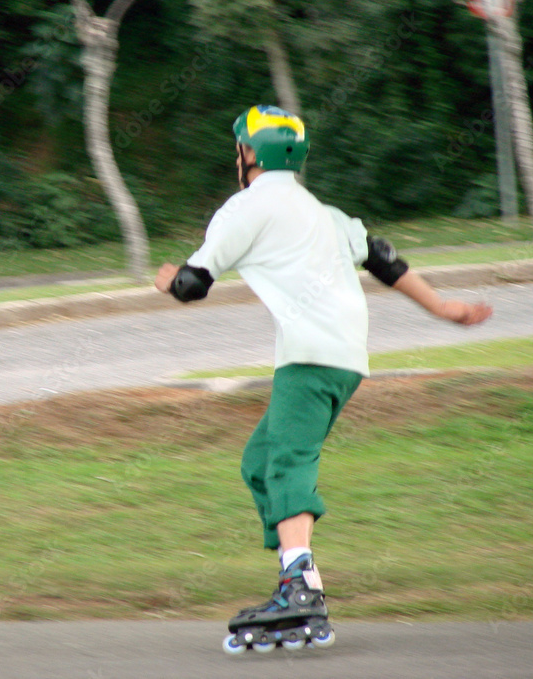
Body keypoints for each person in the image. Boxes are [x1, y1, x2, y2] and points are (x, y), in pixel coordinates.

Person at [153, 105, 493, 654]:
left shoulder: (245, 208)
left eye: (238, 148)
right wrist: (444, 308)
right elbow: (383, 258)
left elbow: (193, 285)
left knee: (287, 461)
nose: (236, 157)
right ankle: (297, 576)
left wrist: (169, 280)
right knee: (260, 462)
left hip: (310, 356)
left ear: (250, 154)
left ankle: (299, 586)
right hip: (346, 354)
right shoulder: (323, 212)